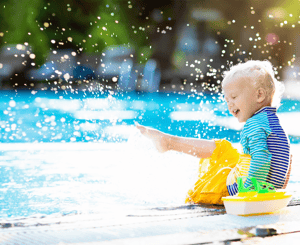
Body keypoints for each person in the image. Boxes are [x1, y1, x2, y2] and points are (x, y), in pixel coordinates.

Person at [136, 60, 292, 205]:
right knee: (224, 149)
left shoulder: (253, 125)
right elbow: (284, 160)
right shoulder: (274, 124)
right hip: (259, 185)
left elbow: (262, 159)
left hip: (235, 189)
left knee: (203, 187)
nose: (230, 104)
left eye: (234, 97)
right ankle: (169, 142)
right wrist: (279, 189)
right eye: (227, 100)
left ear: (259, 95)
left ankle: (169, 142)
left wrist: (247, 194)